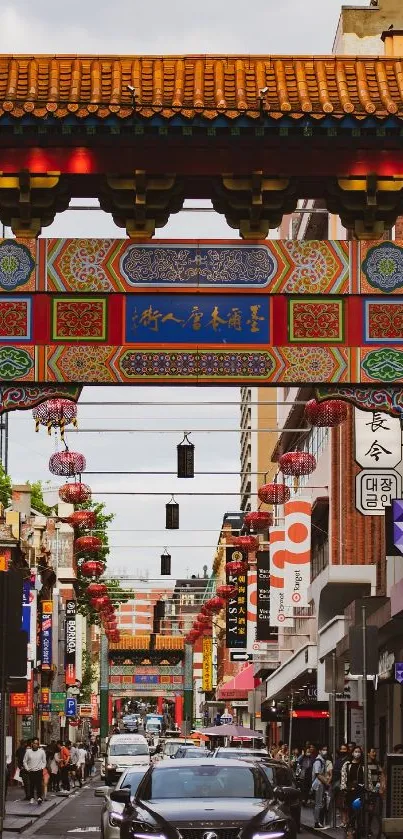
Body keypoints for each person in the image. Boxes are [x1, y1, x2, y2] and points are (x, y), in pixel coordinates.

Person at [340, 745, 373, 826]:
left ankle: (361, 828)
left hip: (361, 790)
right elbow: (343, 777)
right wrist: (343, 788)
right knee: (351, 809)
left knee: (361, 809)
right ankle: (351, 828)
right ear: (352, 753)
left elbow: (368, 778)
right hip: (350, 790)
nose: (357, 753)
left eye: (359, 752)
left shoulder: (364, 765)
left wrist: (370, 789)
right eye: (356, 751)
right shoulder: (347, 764)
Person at [23, 738, 46, 805]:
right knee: (31, 785)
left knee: (39, 785)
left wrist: (42, 768)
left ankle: (39, 797)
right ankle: (32, 798)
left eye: (37, 743)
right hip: (31, 771)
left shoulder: (41, 752)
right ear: (32, 744)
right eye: (34, 743)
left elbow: (44, 761)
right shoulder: (28, 752)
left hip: (38, 770)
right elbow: (24, 761)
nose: (36, 745)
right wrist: (27, 768)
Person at [312, 745, 330, 829]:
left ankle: (318, 821)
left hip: (320, 784)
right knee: (318, 804)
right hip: (318, 784)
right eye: (323, 749)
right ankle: (316, 822)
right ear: (319, 751)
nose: (325, 751)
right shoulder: (318, 761)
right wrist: (326, 782)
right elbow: (318, 774)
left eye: (326, 750)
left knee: (320, 803)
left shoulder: (322, 760)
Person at [332, 744, 350, 827]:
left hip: (345, 783)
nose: (343, 751)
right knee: (339, 804)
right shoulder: (338, 760)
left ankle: (347, 820)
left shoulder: (348, 760)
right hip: (337, 783)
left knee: (345, 804)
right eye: (341, 749)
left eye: (344, 749)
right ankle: (343, 821)